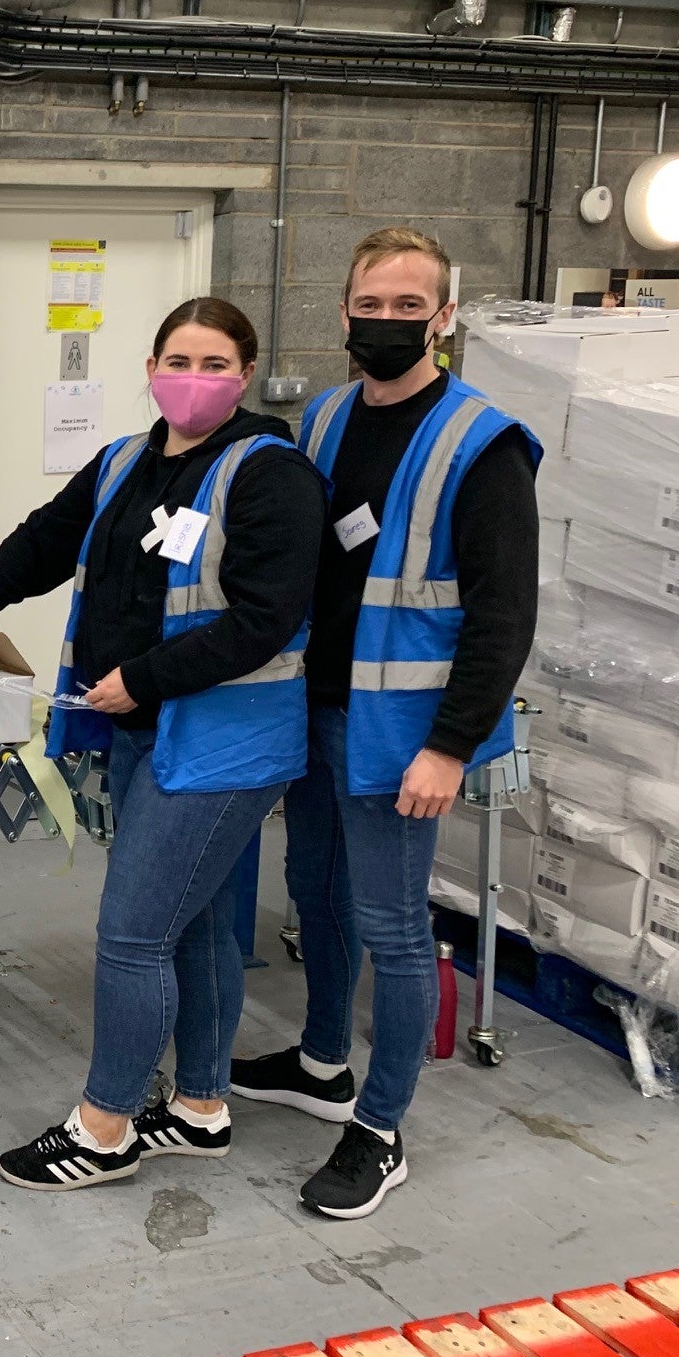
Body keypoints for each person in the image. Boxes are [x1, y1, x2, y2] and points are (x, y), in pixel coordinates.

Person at [0, 298, 327, 1192]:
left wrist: (144, 677)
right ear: (150, 367)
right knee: (199, 920)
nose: (193, 378)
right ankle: (202, 1107)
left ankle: (105, 1129)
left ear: (246, 375)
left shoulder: (269, 472)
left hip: (223, 743)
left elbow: (264, 618)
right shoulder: (128, 460)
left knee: (133, 934)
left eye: (215, 364)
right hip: (146, 730)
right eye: (178, 358)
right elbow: (43, 542)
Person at [230, 228, 540, 1220]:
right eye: (375, 302)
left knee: (395, 929)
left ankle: (382, 1125)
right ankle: (324, 1061)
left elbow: (504, 616)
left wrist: (450, 745)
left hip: (406, 737)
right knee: (313, 897)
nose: (391, 320)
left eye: (413, 306)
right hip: (317, 713)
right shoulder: (321, 421)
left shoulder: (481, 444)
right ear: (345, 309)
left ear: (446, 316)